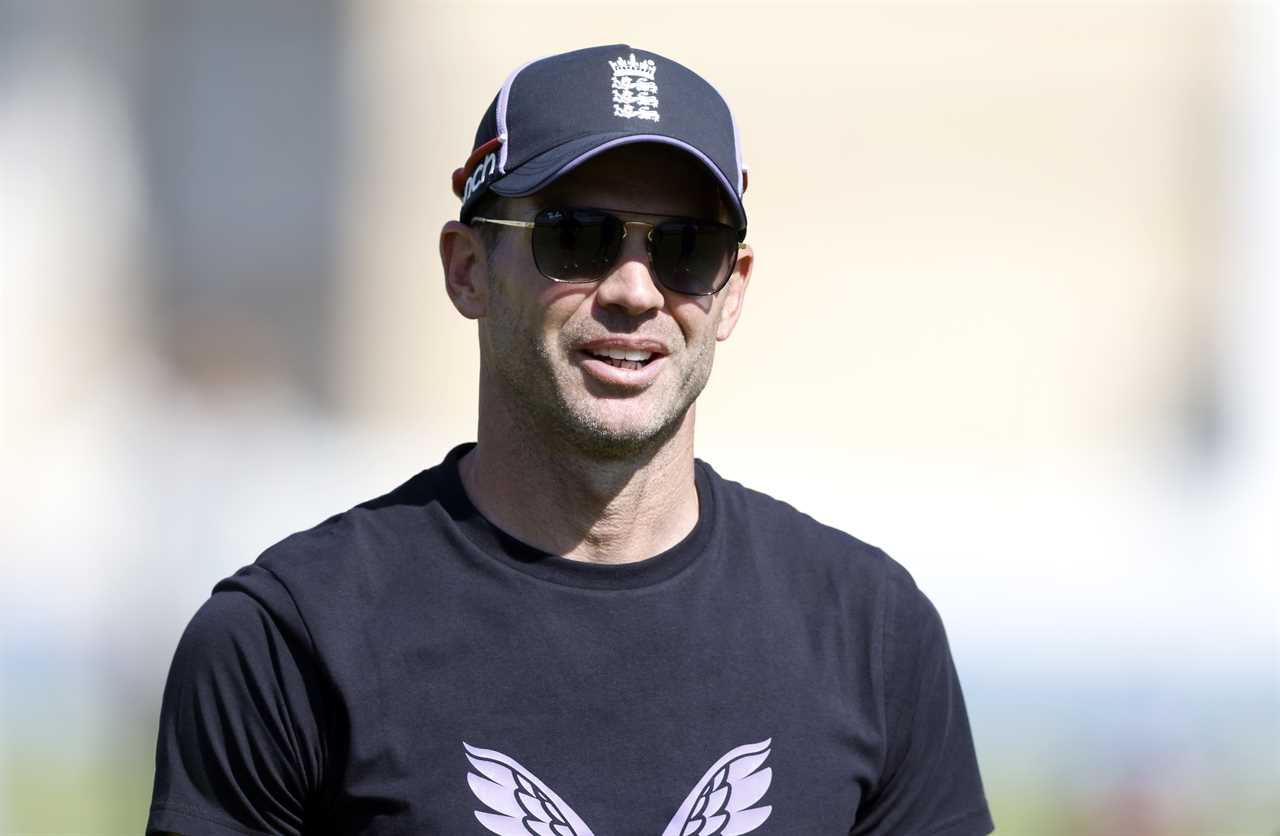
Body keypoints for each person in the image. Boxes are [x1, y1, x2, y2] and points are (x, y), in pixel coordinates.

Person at [147, 44, 995, 836]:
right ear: (467, 269)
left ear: (732, 291)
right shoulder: (287, 642)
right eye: (575, 237)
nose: (635, 290)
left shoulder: (873, 636)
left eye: (685, 249)